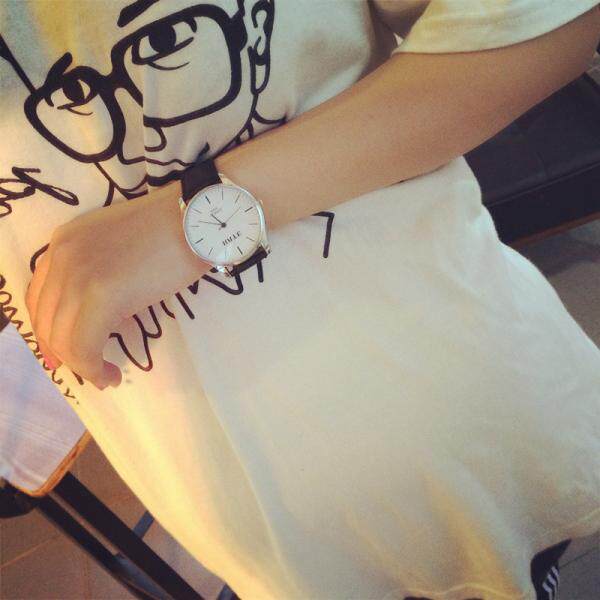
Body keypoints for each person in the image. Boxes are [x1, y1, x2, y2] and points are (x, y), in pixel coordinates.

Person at [1, 1, 599, 598]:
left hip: (467, 458)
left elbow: (554, 19)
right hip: (263, 544)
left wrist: (188, 224)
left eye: (167, 39)